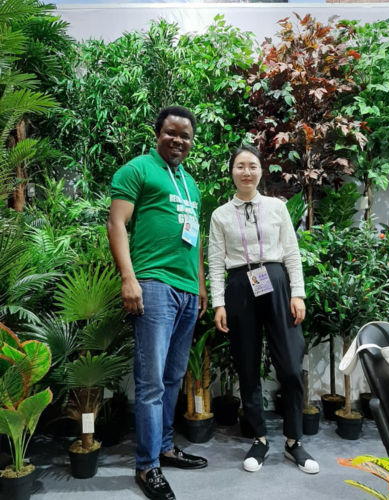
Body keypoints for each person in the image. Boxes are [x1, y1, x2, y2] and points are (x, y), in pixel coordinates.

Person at [107, 106, 208, 500]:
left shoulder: (191, 184)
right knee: (150, 382)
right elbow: (116, 223)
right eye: (171, 133)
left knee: (172, 378)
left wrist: (200, 286)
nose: (178, 140)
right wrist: (128, 278)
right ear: (157, 134)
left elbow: (195, 239)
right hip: (152, 284)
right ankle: (147, 465)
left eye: (185, 136)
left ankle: (165, 447)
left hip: (186, 291)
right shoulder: (138, 170)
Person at [208, 145, 319, 475]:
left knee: (290, 365)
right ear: (232, 171)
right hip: (239, 286)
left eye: (252, 166)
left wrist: (297, 294)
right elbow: (215, 261)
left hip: (275, 281)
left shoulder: (277, 207)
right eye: (240, 166)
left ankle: (294, 442)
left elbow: (292, 253)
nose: (246, 172)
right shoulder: (220, 215)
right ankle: (258, 438)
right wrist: (218, 303)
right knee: (247, 365)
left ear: (261, 171)